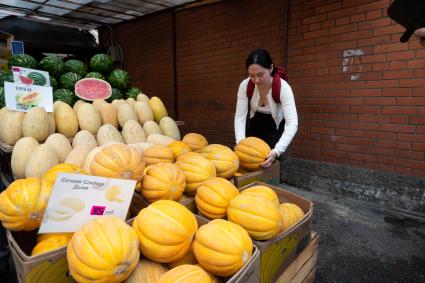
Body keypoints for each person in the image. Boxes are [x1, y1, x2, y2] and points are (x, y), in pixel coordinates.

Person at [234, 48, 298, 168]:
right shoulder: (245, 85)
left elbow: (292, 123)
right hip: (255, 121)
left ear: (271, 68)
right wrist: (240, 143)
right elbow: (240, 116)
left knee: (269, 162)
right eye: (251, 75)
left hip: (275, 124)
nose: (256, 80)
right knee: (248, 161)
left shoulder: (284, 88)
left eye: (260, 75)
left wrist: (278, 150)